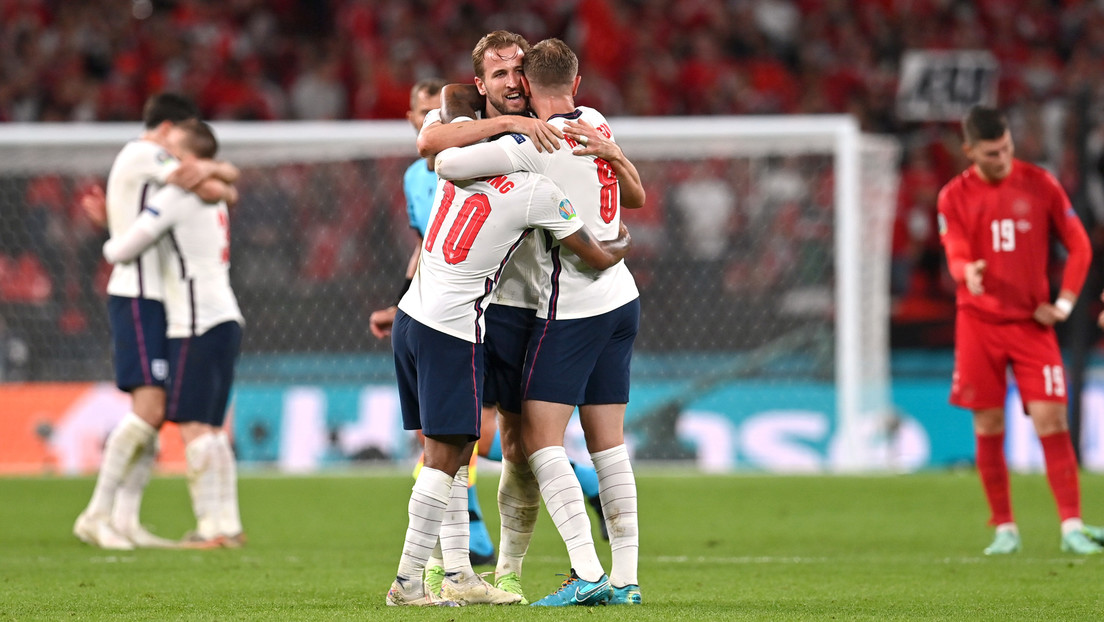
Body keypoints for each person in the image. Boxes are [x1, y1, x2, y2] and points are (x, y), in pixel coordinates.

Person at [434, 38, 644, 606]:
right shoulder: (593, 120)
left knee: (533, 442)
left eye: (516, 72)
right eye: (497, 72)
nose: (508, 81)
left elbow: (444, 160)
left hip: (563, 311)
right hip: (614, 299)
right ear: (575, 85)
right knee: (606, 445)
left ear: (528, 83)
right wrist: (620, 235)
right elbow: (635, 198)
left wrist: (508, 128)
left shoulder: (528, 143)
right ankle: (624, 579)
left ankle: (583, 572)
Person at [385, 164, 632, 606]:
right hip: (459, 319)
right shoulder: (521, 180)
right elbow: (597, 250)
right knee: (451, 450)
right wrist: (624, 242)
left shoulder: (455, 163)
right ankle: (427, 576)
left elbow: (436, 144)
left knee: (489, 447)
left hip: (465, 312)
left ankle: (483, 573)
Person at [73, 93, 239, 550]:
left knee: (155, 410)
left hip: (157, 299)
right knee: (149, 410)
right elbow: (204, 186)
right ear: (169, 128)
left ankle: (124, 519)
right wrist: (223, 174)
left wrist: (113, 224)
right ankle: (96, 513)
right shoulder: (147, 152)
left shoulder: (145, 161)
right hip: (138, 296)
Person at [937, 105, 1104, 555]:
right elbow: (954, 248)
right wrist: (963, 272)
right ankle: (1005, 529)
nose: (1003, 158)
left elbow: (1080, 246)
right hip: (978, 323)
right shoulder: (953, 196)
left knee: (1052, 418)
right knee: (988, 423)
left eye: (1007, 147)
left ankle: (1071, 526)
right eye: (992, 153)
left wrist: (1065, 303)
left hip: (1032, 324)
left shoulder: (1040, 184)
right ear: (970, 151)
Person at [366, 77, 499, 568]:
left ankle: (464, 563)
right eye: (424, 115)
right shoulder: (498, 173)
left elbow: (428, 244)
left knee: (459, 443)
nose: (430, 123)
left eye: (438, 115)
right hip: (449, 319)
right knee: (454, 447)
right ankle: (415, 577)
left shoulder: (450, 169)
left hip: (437, 315)